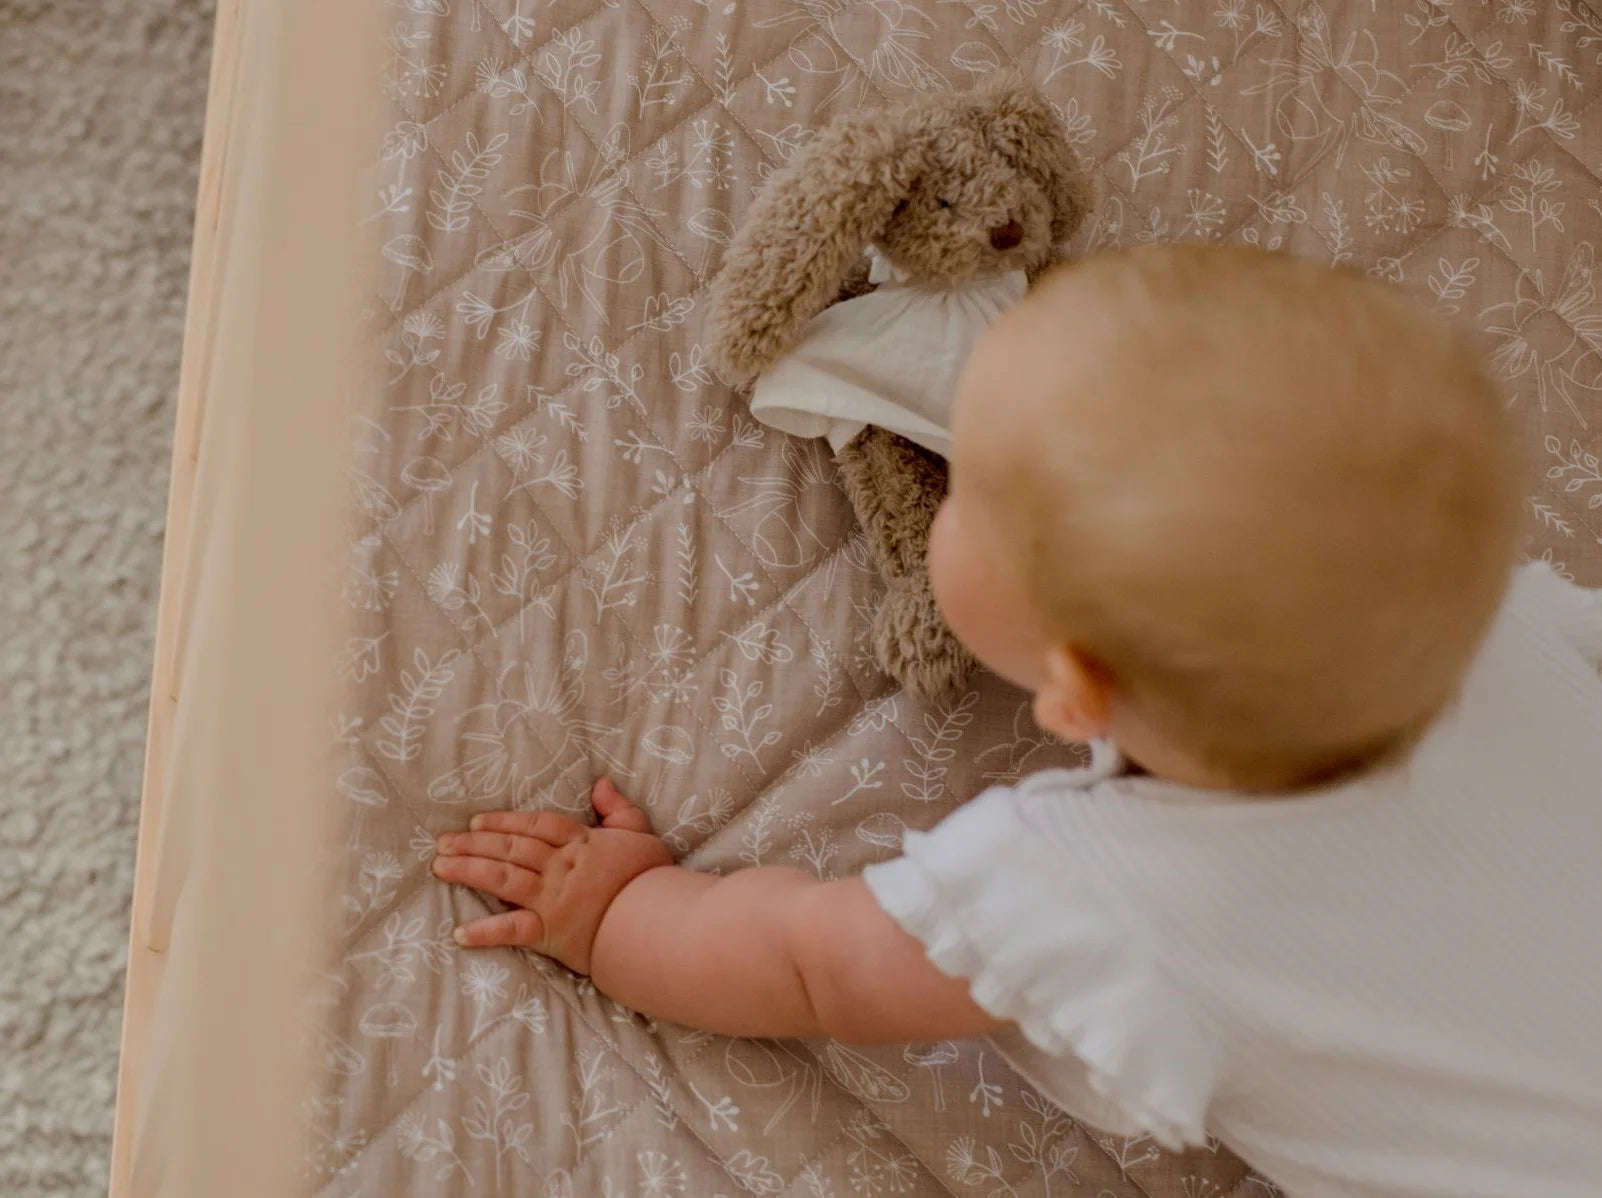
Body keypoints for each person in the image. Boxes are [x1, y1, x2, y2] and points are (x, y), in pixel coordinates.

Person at [430, 245, 1602, 1197]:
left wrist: (617, 912)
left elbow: (811, 963)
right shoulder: (1493, 617)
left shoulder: (1104, 893)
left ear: (1076, 690)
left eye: (980, 492)